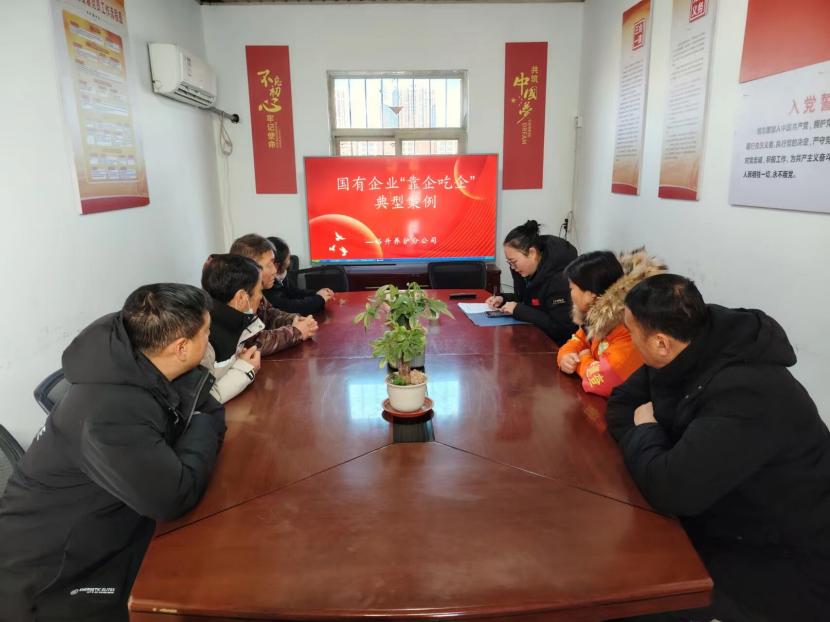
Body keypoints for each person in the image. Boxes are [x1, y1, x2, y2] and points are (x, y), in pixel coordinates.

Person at [607, 274, 830, 622]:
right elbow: (621, 405)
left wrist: (649, 431)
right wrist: (660, 454)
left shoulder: (749, 393)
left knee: (631, 596)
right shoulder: (681, 346)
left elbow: (672, 489)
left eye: (631, 332)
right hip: (720, 517)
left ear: (661, 343)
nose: (631, 341)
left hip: (786, 561)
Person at [0, 284, 226, 621]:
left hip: (110, 522)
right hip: (53, 579)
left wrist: (203, 419)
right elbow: (174, 496)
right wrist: (204, 424)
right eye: (206, 333)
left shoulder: (140, 361)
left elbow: (203, 404)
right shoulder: (107, 415)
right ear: (181, 347)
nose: (210, 340)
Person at [557, 248, 666, 396]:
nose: (570, 294)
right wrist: (565, 356)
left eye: (572, 288)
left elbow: (607, 381)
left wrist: (582, 360)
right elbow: (578, 340)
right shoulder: (596, 318)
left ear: (591, 295)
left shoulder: (628, 325)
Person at [485, 220, 577, 345]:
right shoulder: (524, 271)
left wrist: (519, 310)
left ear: (532, 253)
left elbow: (563, 329)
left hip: (557, 348)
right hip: (533, 338)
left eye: (514, 262)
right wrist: (503, 299)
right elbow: (527, 299)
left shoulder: (560, 278)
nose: (512, 267)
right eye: (509, 263)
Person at [229, 234, 318, 355]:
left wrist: (294, 319)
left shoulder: (255, 290)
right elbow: (254, 342)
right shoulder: (238, 298)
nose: (275, 271)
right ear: (251, 267)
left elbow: (270, 313)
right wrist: (297, 332)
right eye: (269, 264)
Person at [201, 254, 266, 403]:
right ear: (241, 298)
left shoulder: (230, 321)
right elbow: (201, 401)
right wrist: (245, 368)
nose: (261, 297)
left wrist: (238, 362)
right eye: (259, 290)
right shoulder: (202, 338)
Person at [264, 236, 334, 315]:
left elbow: (295, 293)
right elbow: (288, 307)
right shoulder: (266, 284)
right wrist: (319, 299)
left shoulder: (281, 276)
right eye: (288, 258)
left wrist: (318, 294)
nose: (289, 262)